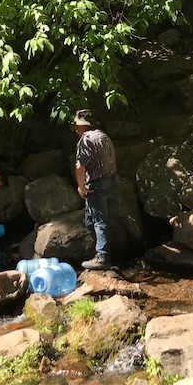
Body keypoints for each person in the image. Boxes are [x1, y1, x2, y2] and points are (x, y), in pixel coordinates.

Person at [73, 109, 117, 270]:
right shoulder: (103, 136)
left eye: (76, 125)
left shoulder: (86, 140)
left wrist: (81, 187)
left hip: (96, 184)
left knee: (99, 221)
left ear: (83, 126)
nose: (75, 128)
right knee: (91, 219)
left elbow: (79, 167)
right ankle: (99, 251)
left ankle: (102, 257)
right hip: (109, 181)